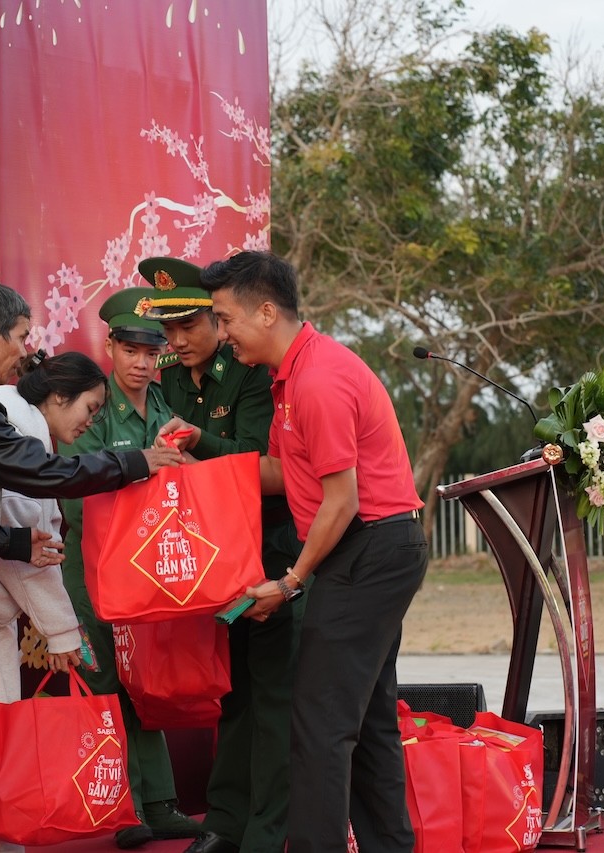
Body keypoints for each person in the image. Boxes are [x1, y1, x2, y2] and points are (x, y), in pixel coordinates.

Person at [0, 281, 179, 853]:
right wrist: (138, 462)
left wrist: (16, 544)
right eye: (21, 336)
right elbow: (45, 477)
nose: (25, 351)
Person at [200, 250, 427, 853]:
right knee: (368, 721)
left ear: (266, 312)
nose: (222, 335)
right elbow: (280, 472)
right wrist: (195, 463)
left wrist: (291, 582)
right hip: (370, 551)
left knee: (320, 723)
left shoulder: (319, 379)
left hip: (368, 549)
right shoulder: (290, 377)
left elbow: (342, 500)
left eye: (225, 319)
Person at [140, 256, 304, 853]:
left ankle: (267, 831)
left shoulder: (253, 369)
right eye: (168, 329)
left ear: (219, 318)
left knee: (274, 698)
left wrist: (199, 441)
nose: (177, 340)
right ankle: (224, 824)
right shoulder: (169, 377)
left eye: (190, 325)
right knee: (234, 695)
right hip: (211, 553)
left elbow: (260, 458)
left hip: (272, 548)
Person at [60, 287, 202, 850]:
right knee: (104, 688)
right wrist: (144, 474)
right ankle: (120, 808)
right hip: (94, 572)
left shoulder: (166, 408)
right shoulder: (92, 409)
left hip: (152, 574)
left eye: (151, 352)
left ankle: (160, 804)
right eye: (130, 350)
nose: (142, 363)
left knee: (145, 685)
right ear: (111, 348)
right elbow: (73, 490)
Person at [0, 350, 110, 853]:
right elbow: (25, 549)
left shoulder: (10, 418)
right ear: (59, 397)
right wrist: (62, 633)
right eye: (89, 408)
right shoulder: (17, 430)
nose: (90, 422)